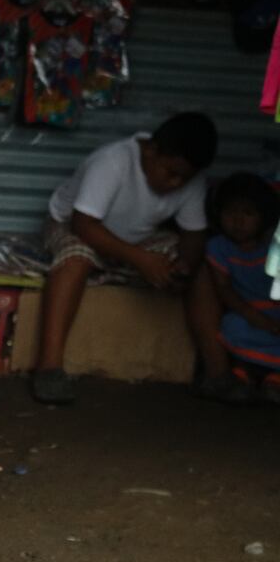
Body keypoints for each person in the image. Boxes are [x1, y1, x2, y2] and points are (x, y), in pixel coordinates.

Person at [33, 112, 218, 404]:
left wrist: (185, 266)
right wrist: (141, 260)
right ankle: (49, 369)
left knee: (201, 270)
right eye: (170, 172)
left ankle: (217, 373)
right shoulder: (113, 162)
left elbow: (194, 235)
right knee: (75, 259)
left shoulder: (189, 179)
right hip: (75, 226)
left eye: (184, 178)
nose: (175, 183)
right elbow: (84, 224)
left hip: (136, 239)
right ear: (152, 150)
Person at [192, 172, 280, 403]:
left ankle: (274, 378)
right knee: (234, 327)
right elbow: (224, 290)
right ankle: (244, 373)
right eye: (230, 213)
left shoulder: (274, 246)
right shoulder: (218, 248)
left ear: (264, 217)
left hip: (276, 310)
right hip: (246, 312)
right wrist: (253, 316)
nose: (238, 221)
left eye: (248, 213)